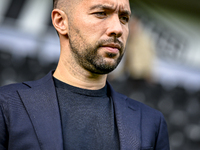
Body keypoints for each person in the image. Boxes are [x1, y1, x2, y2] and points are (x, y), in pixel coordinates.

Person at [0, 0, 170, 149]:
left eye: (124, 18)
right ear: (61, 21)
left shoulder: (151, 123)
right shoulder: (7, 105)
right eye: (101, 13)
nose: (118, 29)